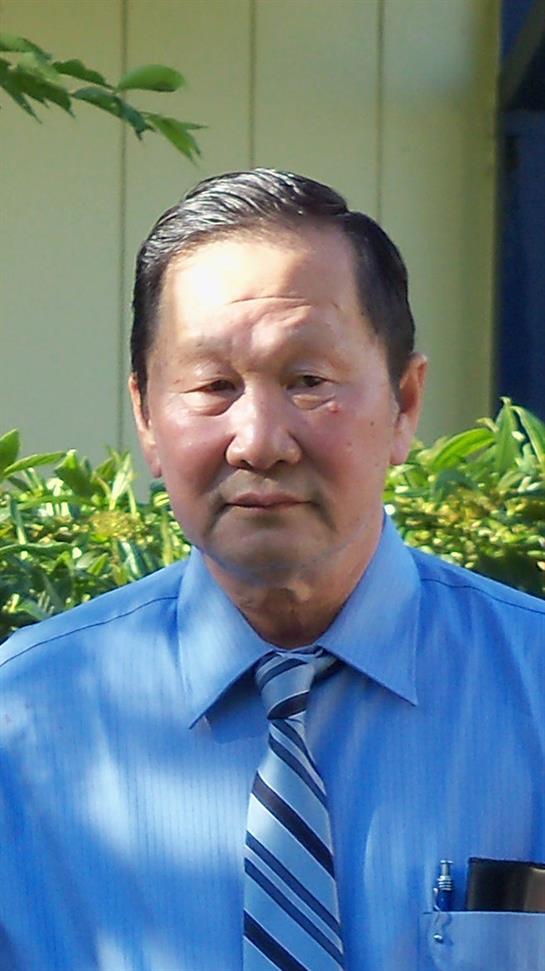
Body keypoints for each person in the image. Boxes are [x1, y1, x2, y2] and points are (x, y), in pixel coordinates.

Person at [1, 169, 544, 971]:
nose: (259, 440)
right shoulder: (22, 724)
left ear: (404, 402)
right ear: (147, 418)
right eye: (213, 386)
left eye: (308, 382)